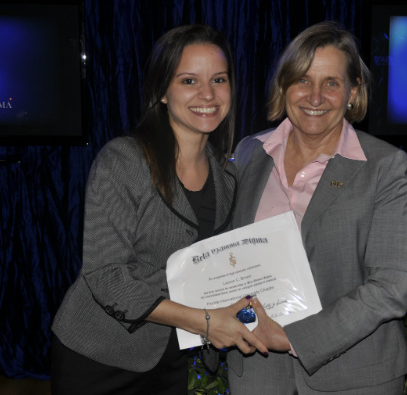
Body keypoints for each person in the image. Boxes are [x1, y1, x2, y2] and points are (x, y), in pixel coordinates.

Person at [50, 24, 267, 395]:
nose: (207, 94)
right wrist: (206, 321)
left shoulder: (226, 175)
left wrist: (250, 311)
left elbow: (216, 267)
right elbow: (105, 276)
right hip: (99, 354)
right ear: (162, 91)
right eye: (188, 81)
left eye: (218, 79)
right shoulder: (124, 160)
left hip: (169, 358)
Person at [227, 21, 407, 394]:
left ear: (353, 91)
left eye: (331, 83)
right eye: (302, 80)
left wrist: (294, 337)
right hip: (256, 370)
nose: (315, 97)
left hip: (356, 376)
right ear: (284, 87)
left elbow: (394, 283)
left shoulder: (384, 166)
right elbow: (229, 258)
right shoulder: (249, 152)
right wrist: (236, 320)